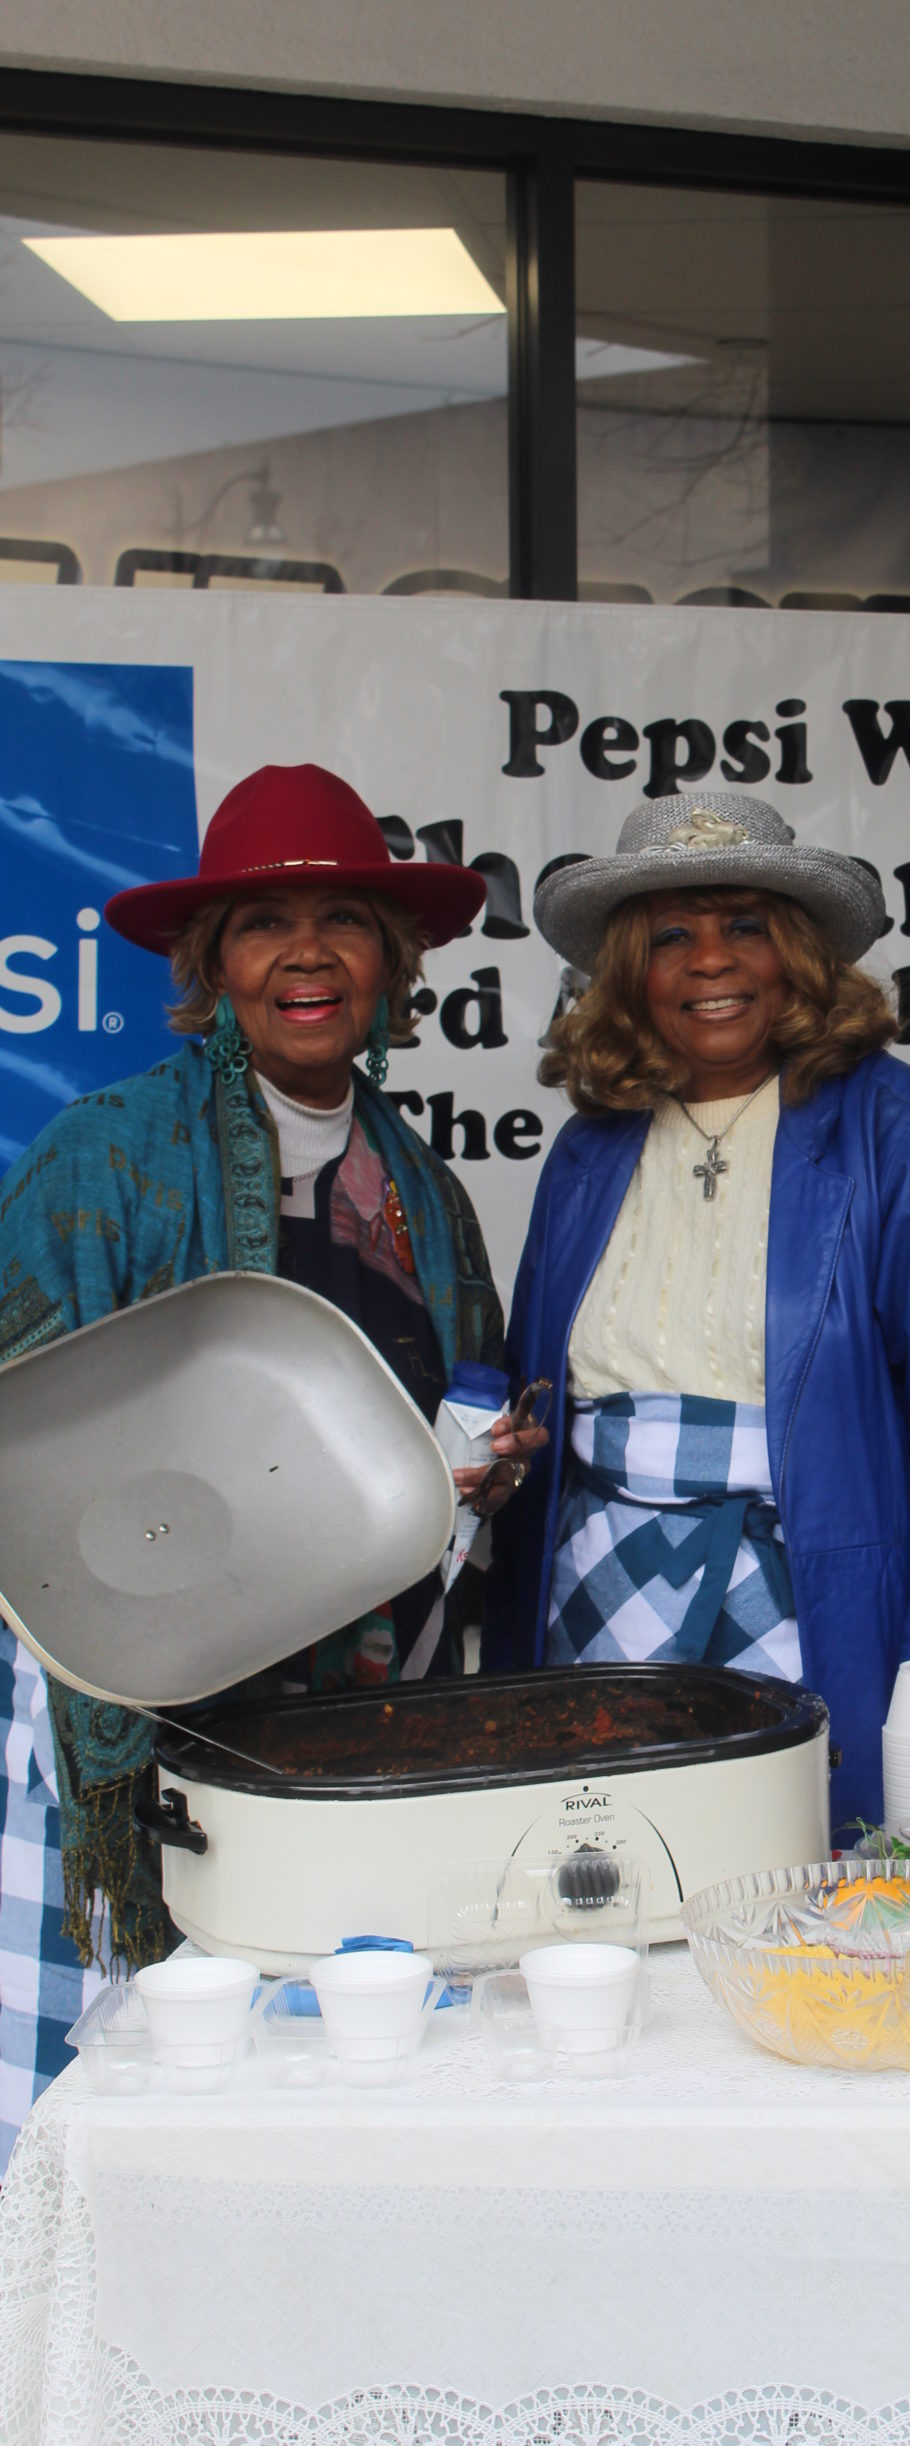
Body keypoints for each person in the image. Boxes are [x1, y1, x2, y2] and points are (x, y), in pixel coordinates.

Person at [0, 762, 543, 2160]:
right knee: (142, 2084)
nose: (308, 955)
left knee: (328, 2078)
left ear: (393, 962)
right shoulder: (105, 1157)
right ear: (212, 964)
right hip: (145, 1695)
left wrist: (486, 1468)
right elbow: (23, 1428)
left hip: (358, 1713)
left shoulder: (424, 1188)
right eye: (263, 925)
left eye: (345, 921)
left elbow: (443, 1424)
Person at [484, 790, 910, 1832]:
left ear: (799, 954)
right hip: (594, 1608)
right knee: (617, 1878)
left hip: (813, 1615)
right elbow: (535, 1402)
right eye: (672, 936)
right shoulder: (589, 1148)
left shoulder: (898, 1127)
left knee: (800, 1887)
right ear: (629, 970)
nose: (710, 961)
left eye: (746, 926)